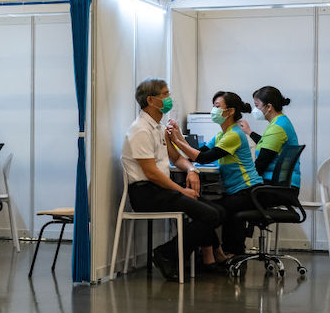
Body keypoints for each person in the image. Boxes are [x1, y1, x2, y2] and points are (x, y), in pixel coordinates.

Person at [120, 79, 223, 281]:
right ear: (151, 100)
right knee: (210, 215)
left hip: (161, 190)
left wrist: (192, 169)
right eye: (165, 94)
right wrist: (181, 190)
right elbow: (150, 172)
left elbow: (176, 158)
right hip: (146, 193)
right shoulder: (140, 130)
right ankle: (167, 254)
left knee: (218, 212)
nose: (169, 99)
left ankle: (172, 254)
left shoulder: (157, 128)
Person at [167, 91, 264, 259]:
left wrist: (177, 141)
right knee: (208, 210)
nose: (213, 110)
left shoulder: (234, 135)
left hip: (248, 192)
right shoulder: (222, 134)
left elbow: (203, 158)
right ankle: (213, 253)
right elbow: (200, 152)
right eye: (213, 106)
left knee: (210, 211)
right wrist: (178, 137)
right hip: (237, 192)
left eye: (217, 106)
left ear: (230, 111)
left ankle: (212, 253)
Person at [237, 86, 300, 189]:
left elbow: (262, 162)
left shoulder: (277, 128)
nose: (255, 110)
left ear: (269, 107)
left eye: (257, 105)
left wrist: (242, 178)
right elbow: (266, 143)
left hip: (275, 185)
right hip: (279, 183)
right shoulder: (280, 122)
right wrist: (249, 131)